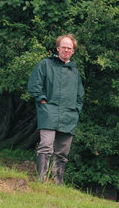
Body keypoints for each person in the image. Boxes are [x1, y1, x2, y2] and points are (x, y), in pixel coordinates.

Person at [26, 34, 85, 184]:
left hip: (69, 115)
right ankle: (41, 181)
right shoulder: (45, 64)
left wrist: (76, 110)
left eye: (69, 48)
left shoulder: (75, 72)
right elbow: (34, 86)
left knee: (63, 153)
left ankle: (58, 183)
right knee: (46, 146)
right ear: (58, 48)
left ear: (73, 51)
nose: (66, 50)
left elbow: (80, 95)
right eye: (63, 47)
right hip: (48, 112)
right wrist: (43, 101)